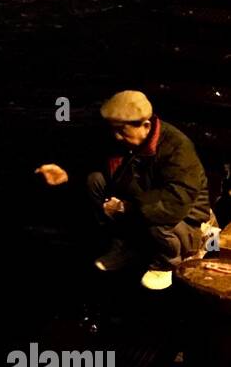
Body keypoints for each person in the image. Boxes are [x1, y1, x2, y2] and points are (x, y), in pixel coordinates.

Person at [35, 90, 212, 291]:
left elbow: (176, 200)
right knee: (95, 181)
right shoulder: (124, 141)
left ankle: (167, 262)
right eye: (114, 130)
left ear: (145, 126)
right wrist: (68, 174)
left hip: (185, 219)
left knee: (157, 216)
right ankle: (125, 246)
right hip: (142, 199)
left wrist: (127, 207)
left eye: (122, 131)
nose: (116, 137)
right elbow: (98, 165)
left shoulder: (177, 147)